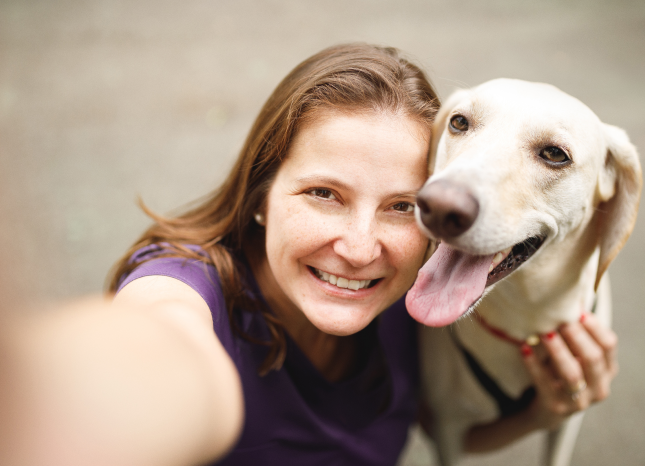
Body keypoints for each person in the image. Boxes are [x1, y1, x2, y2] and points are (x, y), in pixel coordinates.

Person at [0, 43, 617, 466]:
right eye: (323, 194)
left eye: (404, 206)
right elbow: (154, 356)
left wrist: (547, 412)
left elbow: (445, 429)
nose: (357, 248)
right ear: (261, 194)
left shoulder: (411, 296)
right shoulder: (187, 292)